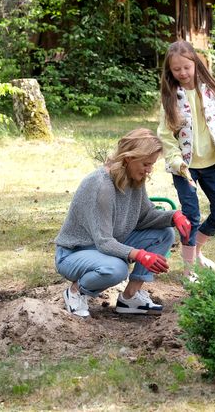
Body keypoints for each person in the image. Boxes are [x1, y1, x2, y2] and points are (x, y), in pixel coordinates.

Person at [54, 128, 192, 317]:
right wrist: (140, 255)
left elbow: (144, 217)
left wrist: (173, 217)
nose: (149, 170)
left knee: (164, 233)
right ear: (128, 158)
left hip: (104, 248)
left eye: (151, 164)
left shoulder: (134, 179)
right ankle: (75, 292)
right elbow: (104, 241)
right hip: (74, 254)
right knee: (116, 269)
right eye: (145, 164)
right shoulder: (101, 186)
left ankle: (130, 297)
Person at [157, 40, 215, 278]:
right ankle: (189, 270)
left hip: (210, 164)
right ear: (170, 71)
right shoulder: (171, 98)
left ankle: (197, 250)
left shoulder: (213, 91)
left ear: (196, 63)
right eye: (176, 69)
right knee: (191, 215)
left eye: (186, 67)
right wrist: (177, 162)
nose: (182, 73)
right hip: (184, 168)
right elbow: (165, 135)